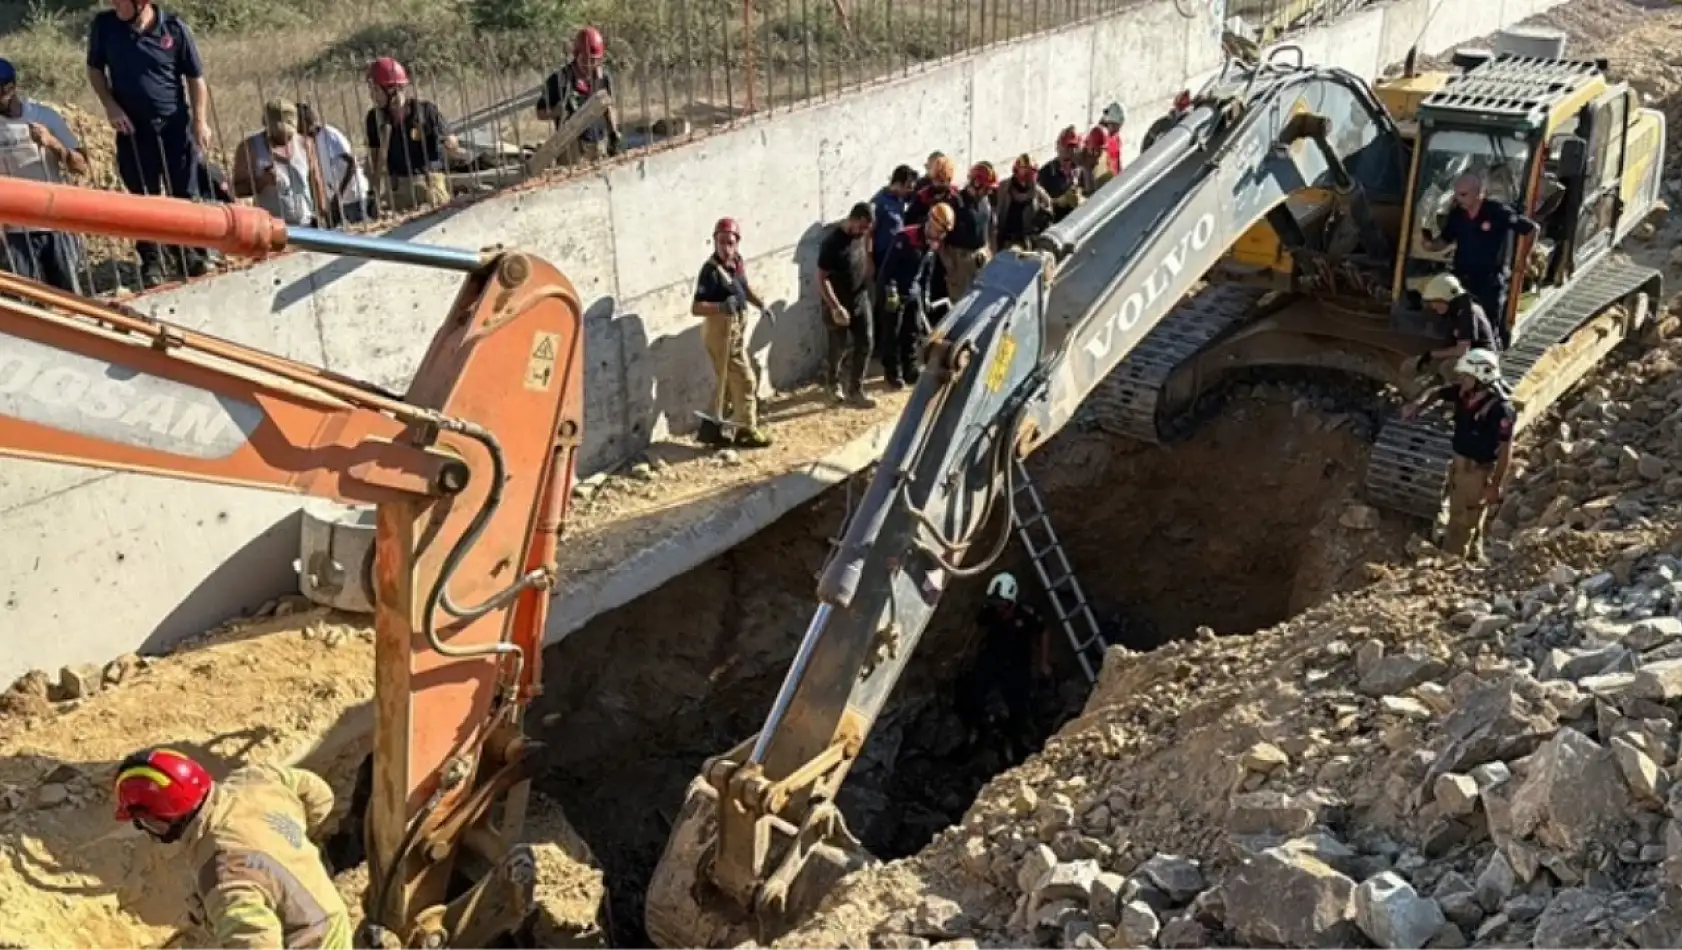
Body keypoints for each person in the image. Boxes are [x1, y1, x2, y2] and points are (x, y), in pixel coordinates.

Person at [112, 747, 351, 949]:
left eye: (143, 822)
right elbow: (320, 796)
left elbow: (254, 942)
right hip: (328, 912)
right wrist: (288, 836)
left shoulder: (224, 872)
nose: (142, 829)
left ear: (162, 818)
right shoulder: (258, 779)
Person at [86, 0, 214, 287]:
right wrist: (110, 106)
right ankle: (152, 261)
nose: (113, 4)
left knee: (183, 192)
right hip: (133, 130)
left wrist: (200, 121)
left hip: (173, 127)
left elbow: (195, 78)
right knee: (142, 197)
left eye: (120, 1)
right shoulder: (105, 27)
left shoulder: (174, 28)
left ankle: (189, 252)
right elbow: (95, 70)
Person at [1400, 349, 1515, 563]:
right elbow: (1438, 393)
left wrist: (1495, 484)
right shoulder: (1465, 395)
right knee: (1464, 513)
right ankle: (1472, 557)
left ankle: (1452, 563)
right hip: (1460, 466)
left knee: (1462, 522)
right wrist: (1418, 405)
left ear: (1481, 378)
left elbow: (1506, 449)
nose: (1461, 379)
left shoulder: (1500, 410)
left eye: (1466, 376)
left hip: (1477, 471)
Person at [0, 57, 89, 294]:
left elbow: (80, 166)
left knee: (69, 299)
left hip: (54, 226)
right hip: (15, 234)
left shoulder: (43, 117)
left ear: (10, 89)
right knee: (26, 302)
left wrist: (52, 143)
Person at [1422, 172, 1538, 349]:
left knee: (1489, 323)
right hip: (1463, 277)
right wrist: (1430, 246)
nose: (1458, 199)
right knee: (1461, 321)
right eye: (1456, 194)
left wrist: (1523, 259)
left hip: (1489, 278)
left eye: (1463, 194)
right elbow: (1444, 241)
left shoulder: (1497, 212)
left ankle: (1491, 359)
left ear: (1479, 193)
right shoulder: (1457, 216)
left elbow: (1531, 229)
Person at [691, 217, 773, 449]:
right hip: (720, 334)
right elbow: (696, 307)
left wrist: (761, 304)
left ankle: (711, 430)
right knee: (745, 380)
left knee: (728, 381)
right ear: (714, 241)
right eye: (721, 242)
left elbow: (743, 288)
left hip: (735, 331)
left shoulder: (736, 262)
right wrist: (719, 307)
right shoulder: (710, 271)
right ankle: (746, 430)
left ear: (737, 243)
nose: (725, 248)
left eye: (730, 242)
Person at [954, 572, 1050, 755]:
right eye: (996, 605)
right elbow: (977, 630)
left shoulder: (1027, 613)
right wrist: (965, 651)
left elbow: (1043, 631)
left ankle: (1015, 741)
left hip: (1018, 662)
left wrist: (1043, 663)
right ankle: (975, 732)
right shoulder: (989, 611)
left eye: (1003, 605)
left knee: (1019, 702)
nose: (999, 609)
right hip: (992, 657)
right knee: (975, 692)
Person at [364, 56, 457, 216]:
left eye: (376, 90)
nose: (372, 95)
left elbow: (452, 141)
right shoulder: (375, 119)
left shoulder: (425, 111)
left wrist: (448, 141)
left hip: (428, 185)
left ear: (392, 89)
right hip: (398, 189)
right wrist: (373, 195)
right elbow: (375, 161)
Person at [876, 202, 953, 388]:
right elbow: (888, 269)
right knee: (892, 333)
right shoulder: (906, 238)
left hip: (913, 292)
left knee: (911, 332)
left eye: (943, 232)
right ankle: (893, 373)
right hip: (894, 293)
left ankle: (910, 369)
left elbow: (927, 272)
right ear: (931, 222)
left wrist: (925, 296)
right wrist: (891, 291)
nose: (940, 235)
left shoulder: (933, 244)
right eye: (938, 230)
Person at [817, 202, 877, 408]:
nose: (862, 232)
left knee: (866, 342)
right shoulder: (832, 243)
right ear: (852, 219)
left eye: (866, 228)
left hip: (860, 298)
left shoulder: (863, 234)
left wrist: (869, 271)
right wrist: (835, 306)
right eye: (861, 227)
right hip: (838, 303)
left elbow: (868, 248)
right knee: (838, 347)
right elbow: (822, 278)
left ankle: (856, 389)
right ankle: (832, 384)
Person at [536, 26, 623, 164]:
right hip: (571, 147)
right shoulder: (560, 80)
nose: (589, 64)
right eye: (585, 59)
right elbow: (540, 113)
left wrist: (613, 133)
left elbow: (609, 107)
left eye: (594, 60)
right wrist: (557, 111)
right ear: (577, 55)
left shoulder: (602, 78)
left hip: (598, 143)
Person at [1408, 272, 1499, 394]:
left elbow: (1462, 350)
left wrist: (1430, 354)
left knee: (1447, 367)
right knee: (1432, 364)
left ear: (1446, 298)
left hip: (1483, 361)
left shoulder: (1466, 313)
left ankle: (1464, 396)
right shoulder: (1456, 311)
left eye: (1435, 302)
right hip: (1471, 356)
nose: (1433, 306)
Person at [231, 99, 319, 227]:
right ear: (267, 126)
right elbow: (238, 189)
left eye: (288, 133)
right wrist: (263, 181)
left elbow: (315, 181)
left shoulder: (305, 145)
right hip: (269, 227)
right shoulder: (249, 147)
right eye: (278, 132)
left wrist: (323, 214)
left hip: (305, 225)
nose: (284, 137)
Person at [298, 103, 371, 227]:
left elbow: (352, 164)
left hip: (353, 196)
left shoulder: (329, 135)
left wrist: (339, 194)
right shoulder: (307, 143)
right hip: (335, 200)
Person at [940, 162, 996, 301]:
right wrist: (948, 262)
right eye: (986, 188)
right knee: (961, 302)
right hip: (961, 261)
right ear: (976, 183)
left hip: (982, 255)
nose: (989, 191)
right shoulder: (954, 204)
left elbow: (990, 225)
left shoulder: (985, 201)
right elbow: (939, 236)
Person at [994, 154, 1053, 251]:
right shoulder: (1001, 189)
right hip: (1003, 241)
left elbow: (1048, 221)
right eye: (1024, 173)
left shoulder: (1041, 196)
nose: (1026, 180)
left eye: (1031, 173)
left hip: (1027, 244)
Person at [1038, 127, 1094, 224]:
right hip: (1056, 226)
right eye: (1067, 147)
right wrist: (1059, 201)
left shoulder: (1081, 170)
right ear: (1058, 146)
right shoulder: (1046, 173)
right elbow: (1037, 207)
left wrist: (1081, 200)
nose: (1070, 151)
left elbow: (1091, 196)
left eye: (1074, 147)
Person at [871, 164, 918, 268]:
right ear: (897, 184)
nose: (910, 191)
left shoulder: (900, 199)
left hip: (896, 256)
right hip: (881, 259)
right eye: (908, 187)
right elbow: (868, 235)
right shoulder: (879, 204)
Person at [905, 153, 959, 228]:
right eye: (936, 179)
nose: (937, 183)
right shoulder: (922, 196)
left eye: (942, 180)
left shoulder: (956, 197)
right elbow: (909, 221)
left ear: (948, 180)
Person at [1097, 101, 1125, 175]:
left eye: (1119, 126)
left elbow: (1118, 160)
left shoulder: (1116, 138)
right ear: (1109, 122)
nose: (1117, 129)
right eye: (1115, 126)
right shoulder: (1100, 138)